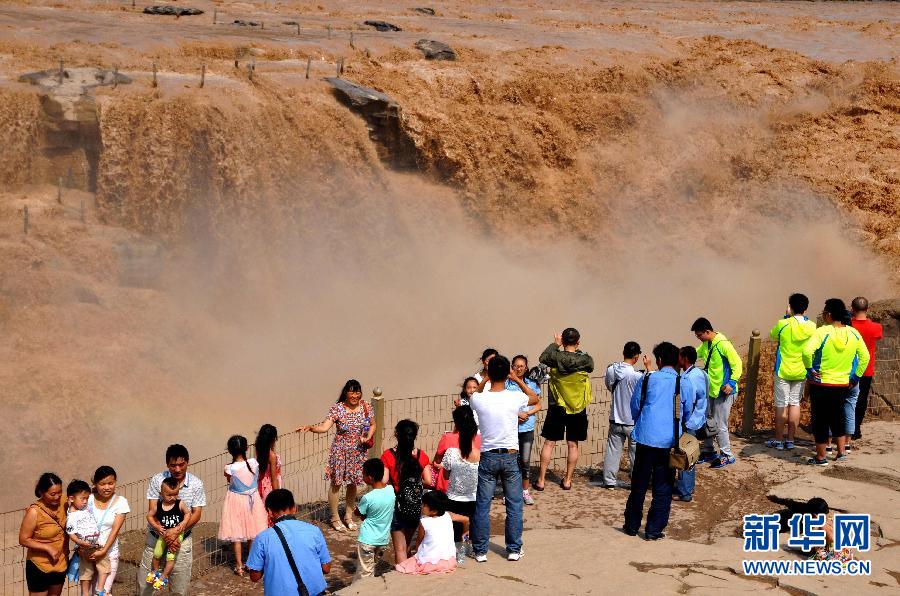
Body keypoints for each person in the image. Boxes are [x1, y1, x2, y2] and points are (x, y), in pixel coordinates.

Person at [623, 342, 698, 540]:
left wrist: (643, 421)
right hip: (669, 442)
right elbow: (687, 411)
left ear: (659, 360)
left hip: (645, 438)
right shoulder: (683, 382)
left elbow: (635, 405)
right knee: (663, 487)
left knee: (639, 484)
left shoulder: (648, 378)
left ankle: (631, 526)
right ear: (677, 361)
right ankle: (653, 530)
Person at [470, 355, 540, 562]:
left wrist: (485, 378)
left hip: (488, 456)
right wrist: (517, 379)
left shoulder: (480, 398)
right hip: (510, 455)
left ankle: (480, 551)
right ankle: (514, 549)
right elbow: (534, 398)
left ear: (489, 373)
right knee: (514, 504)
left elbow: (475, 395)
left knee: (483, 505)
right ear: (507, 372)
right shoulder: (514, 396)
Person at [297, 379, 374, 533]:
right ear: (346, 393)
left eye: (357, 392)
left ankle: (348, 516)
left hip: (358, 452)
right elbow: (324, 427)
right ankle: (334, 518)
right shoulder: (337, 408)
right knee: (336, 483)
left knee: (353, 483)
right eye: (352, 392)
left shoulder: (366, 406)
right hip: (340, 452)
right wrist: (311, 428)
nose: (355, 395)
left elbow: (373, 424)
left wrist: (368, 436)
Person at [802, 298, 869, 465]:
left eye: (825, 312)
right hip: (842, 384)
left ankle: (821, 457)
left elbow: (807, 352)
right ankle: (841, 453)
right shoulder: (853, 333)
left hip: (821, 383)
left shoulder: (822, 332)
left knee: (820, 420)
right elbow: (865, 357)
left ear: (829, 315)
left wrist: (810, 370)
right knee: (838, 417)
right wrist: (855, 377)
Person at [137, 444, 206, 596]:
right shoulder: (157, 480)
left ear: (188, 462)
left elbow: (196, 514)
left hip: (181, 541)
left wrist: (175, 532)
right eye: (173, 465)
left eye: (181, 464)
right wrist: (167, 535)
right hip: (155, 539)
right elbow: (152, 510)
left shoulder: (196, 484)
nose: (177, 469)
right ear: (167, 464)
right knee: (146, 588)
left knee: (179, 590)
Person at [536, 328, 594, 491]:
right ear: (578, 342)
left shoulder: (554, 358)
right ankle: (567, 481)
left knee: (549, 443)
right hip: (578, 407)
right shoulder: (586, 360)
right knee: (573, 445)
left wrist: (555, 344)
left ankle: (541, 481)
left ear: (563, 341)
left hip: (557, 405)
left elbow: (543, 357)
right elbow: (590, 366)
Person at [247, 489, 331, 596]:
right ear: (294, 508)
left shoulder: (262, 539)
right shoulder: (314, 530)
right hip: (314, 592)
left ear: (270, 512)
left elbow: (254, 577)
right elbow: (326, 568)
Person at [596, 341, 648, 490]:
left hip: (615, 418)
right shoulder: (637, 376)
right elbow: (644, 394)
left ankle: (609, 481)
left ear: (623, 353)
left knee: (612, 451)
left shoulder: (611, 369)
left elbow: (609, 386)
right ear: (636, 357)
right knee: (635, 453)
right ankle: (636, 481)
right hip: (632, 421)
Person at [767, 293, 816, 451]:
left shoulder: (783, 323)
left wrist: (786, 317)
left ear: (791, 307)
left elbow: (772, 335)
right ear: (806, 308)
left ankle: (778, 440)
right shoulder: (812, 326)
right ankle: (790, 440)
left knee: (781, 405)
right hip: (801, 370)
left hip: (783, 370)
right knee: (795, 403)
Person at [693, 318, 743, 469]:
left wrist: (732, 383)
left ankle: (727, 454)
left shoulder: (723, 344)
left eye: (699, 335)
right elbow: (694, 353)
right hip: (712, 390)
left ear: (707, 331)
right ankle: (708, 450)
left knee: (720, 424)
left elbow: (737, 364)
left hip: (725, 392)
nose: (698, 338)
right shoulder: (707, 344)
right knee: (708, 421)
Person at [381, 419, 432, 564]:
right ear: (414, 436)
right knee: (408, 544)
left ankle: (401, 572)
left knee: (400, 549)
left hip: (397, 506)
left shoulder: (388, 455)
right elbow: (428, 481)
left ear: (396, 434)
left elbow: (384, 481)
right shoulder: (421, 456)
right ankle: (409, 569)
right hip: (415, 505)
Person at [218, 435, 268, 576]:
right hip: (253, 499)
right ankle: (251, 563)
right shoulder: (254, 463)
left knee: (236, 533)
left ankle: (239, 565)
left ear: (229, 450)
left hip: (236, 500)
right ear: (246, 448)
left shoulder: (229, 468)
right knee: (253, 531)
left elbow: (230, 481)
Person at [441, 405, 480, 563]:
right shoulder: (481, 455)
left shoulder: (451, 453)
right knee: (473, 525)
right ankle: (473, 549)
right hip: (474, 498)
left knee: (455, 529)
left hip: (454, 498)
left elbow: (445, 475)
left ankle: (459, 555)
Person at [19, 473, 67, 596]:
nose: (57, 497)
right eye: (52, 494)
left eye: (60, 492)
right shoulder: (34, 512)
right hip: (39, 566)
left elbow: (81, 494)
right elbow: (23, 539)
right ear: (42, 492)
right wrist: (47, 547)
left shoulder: (64, 501)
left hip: (60, 564)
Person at [673, 346, 709, 503]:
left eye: (679, 356)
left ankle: (685, 492)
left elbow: (688, 401)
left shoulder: (690, 378)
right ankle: (688, 487)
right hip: (697, 419)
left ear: (685, 358)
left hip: (689, 422)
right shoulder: (700, 373)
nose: (677, 359)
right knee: (691, 455)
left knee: (684, 456)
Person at [87, 466, 129, 596]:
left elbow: (115, 530)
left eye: (110, 483)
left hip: (109, 553)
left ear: (115, 482)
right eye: (102, 484)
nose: (107, 487)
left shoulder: (121, 502)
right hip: (88, 554)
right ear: (95, 484)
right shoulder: (87, 499)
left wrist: (104, 550)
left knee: (102, 592)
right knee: (88, 593)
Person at [395, 491, 457, 575]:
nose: (421, 506)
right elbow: (466, 520)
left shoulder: (424, 522)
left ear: (434, 511)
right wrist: (466, 531)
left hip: (429, 564)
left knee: (403, 566)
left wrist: (417, 553)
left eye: (424, 505)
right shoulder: (448, 515)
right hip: (449, 561)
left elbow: (418, 541)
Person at [353, 458, 395, 579]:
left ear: (370, 478)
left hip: (367, 540)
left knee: (365, 574)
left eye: (363, 475)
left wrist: (364, 515)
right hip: (382, 540)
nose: (362, 477)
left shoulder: (368, 497)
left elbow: (357, 512)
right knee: (371, 567)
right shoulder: (390, 490)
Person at [850, 296, 883, 445]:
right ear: (867, 309)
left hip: (849, 369)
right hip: (866, 369)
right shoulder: (876, 327)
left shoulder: (848, 326)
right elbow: (878, 336)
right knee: (861, 400)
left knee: (846, 400)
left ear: (852, 309)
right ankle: (856, 429)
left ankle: (845, 429)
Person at [65, 479, 108, 596]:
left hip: (96, 543)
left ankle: (100, 590)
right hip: (84, 546)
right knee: (86, 571)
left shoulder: (84, 507)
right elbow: (71, 533)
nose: (85, 501)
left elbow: (89, 492)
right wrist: (80, 542)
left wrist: (93, 488)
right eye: (82, 499)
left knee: (104, 565)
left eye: (87, 498)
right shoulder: (71, 516)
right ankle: (85, 593)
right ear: (71, 499)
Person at [145, 478, 189, 591]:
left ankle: (163, 577)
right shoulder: (159, 506)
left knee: (170, 557)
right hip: (163, 535)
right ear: (161, 494)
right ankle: (155, 572)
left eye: (175, 494)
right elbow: (149, 516)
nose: (173, 497)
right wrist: (156, 526)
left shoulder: (180, 504)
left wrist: (183, 523)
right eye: (169, 495)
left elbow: (187, 513)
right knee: (157, 553)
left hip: (177, 534)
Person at [508, 355, 542, 505]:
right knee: (511, 461)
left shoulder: (531, 384)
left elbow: (538, 404)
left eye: (522, 366)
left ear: (526, 367)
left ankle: (525, 491)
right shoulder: (506, 384)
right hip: (510, 429)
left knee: (525, 460)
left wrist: (527, 413)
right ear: (512, 367)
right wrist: (516, 415)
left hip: (527, 429)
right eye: (516, 366)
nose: (519, 368)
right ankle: (510, 492)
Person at [433, 400, 483, 493]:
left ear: (456, 422)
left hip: (448, 487)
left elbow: (437, 461)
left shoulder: (448, 438)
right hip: (474, 489)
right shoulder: (481, 439)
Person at [254, 424, 282, 511]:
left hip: (260, 484)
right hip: (270, 487)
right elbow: (273, 478)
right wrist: (277, 496)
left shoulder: (259, 451)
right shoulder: (272, 456)